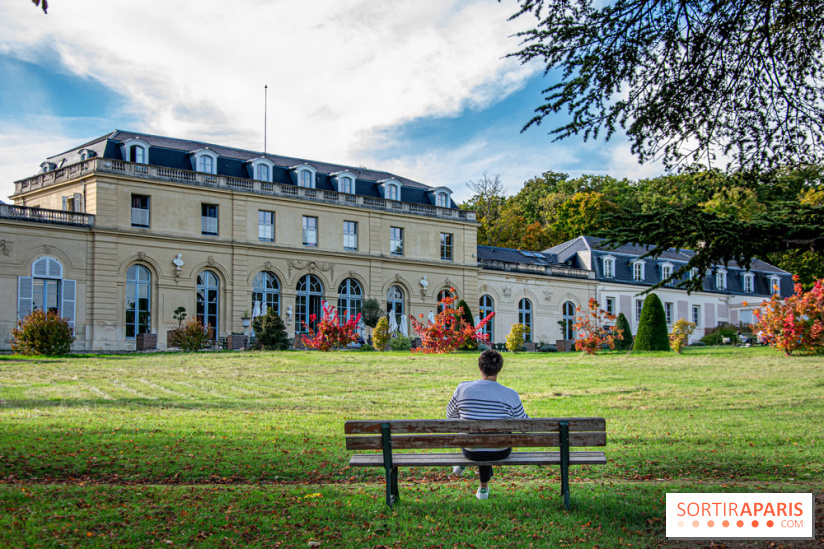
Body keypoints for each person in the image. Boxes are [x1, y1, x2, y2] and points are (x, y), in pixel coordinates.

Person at [446, 349, 527, 500]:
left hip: (470, 450)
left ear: (480, 368)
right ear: (500, 369)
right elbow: (524, 425)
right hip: (501, 450)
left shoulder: (463, 389)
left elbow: (450, 417)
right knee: (489, 440)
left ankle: (467, 469)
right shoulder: (511, 394)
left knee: (476, 438)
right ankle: (483, 488)